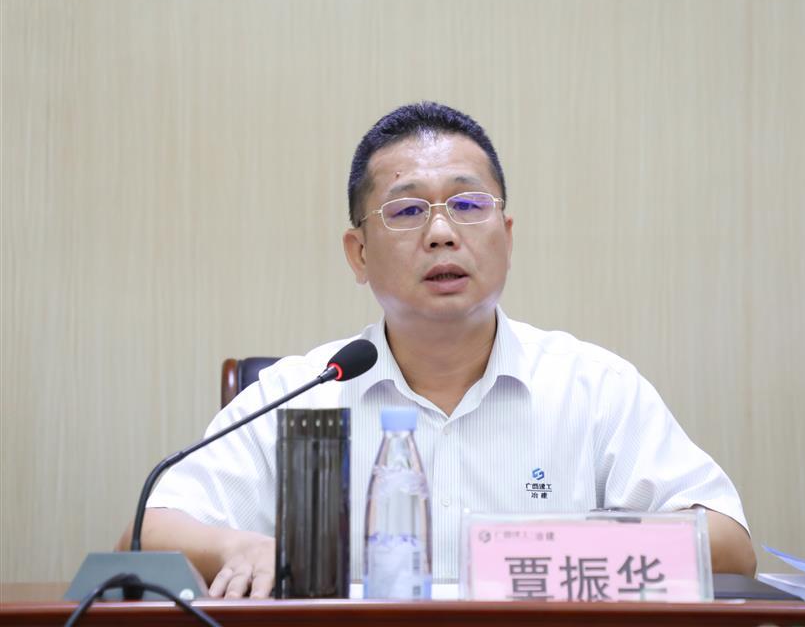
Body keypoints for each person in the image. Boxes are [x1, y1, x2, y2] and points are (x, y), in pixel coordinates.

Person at [117, 102, 756, 598]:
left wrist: (556, 551)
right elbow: (144, 534)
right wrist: (233, 547)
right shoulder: (301, 393)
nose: (443, 233)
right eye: (406, 212)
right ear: (358, 254)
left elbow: (730, 546)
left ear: (507, 237)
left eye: (469, 204)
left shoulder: (593, 388)